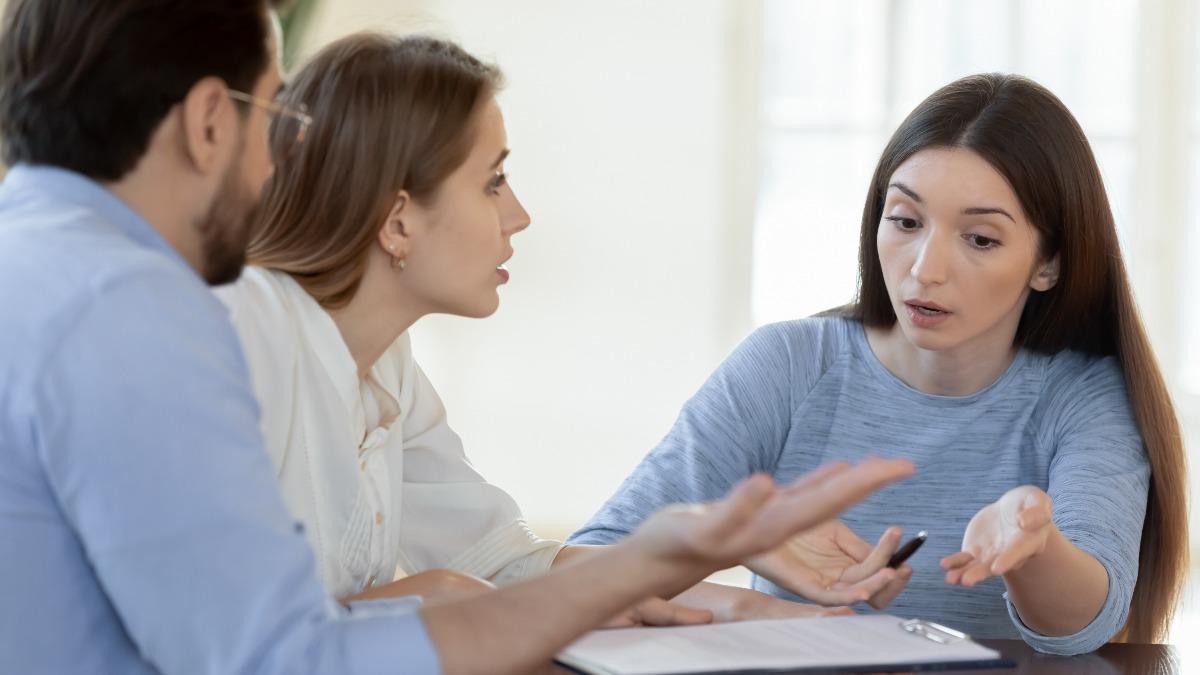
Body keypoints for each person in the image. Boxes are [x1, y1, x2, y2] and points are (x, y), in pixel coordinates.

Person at [0, 2, 914, 673]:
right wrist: (649, 558)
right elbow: (276, 654)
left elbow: (490, 557)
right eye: (273, 116)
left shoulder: (58, 268)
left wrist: (712, 565)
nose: (282, 156)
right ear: (208, 121)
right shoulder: (171, 317)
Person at [215, 31, 910, 620]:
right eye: (493, 182)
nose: (518, 215)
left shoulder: (386, 363)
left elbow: (506, 562)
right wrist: (432, 597)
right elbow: (218, 629)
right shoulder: (245, 333)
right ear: (398, 221)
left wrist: (739, 583)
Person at [570, 73, 1189, 655]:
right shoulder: (788, 364)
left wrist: (1034, 547)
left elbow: (1082, 629)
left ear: (1047, 263)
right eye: (905, 221)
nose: (925, 268)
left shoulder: (1083, 395)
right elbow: (583, 567)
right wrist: (749, 559)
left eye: (980, 238)